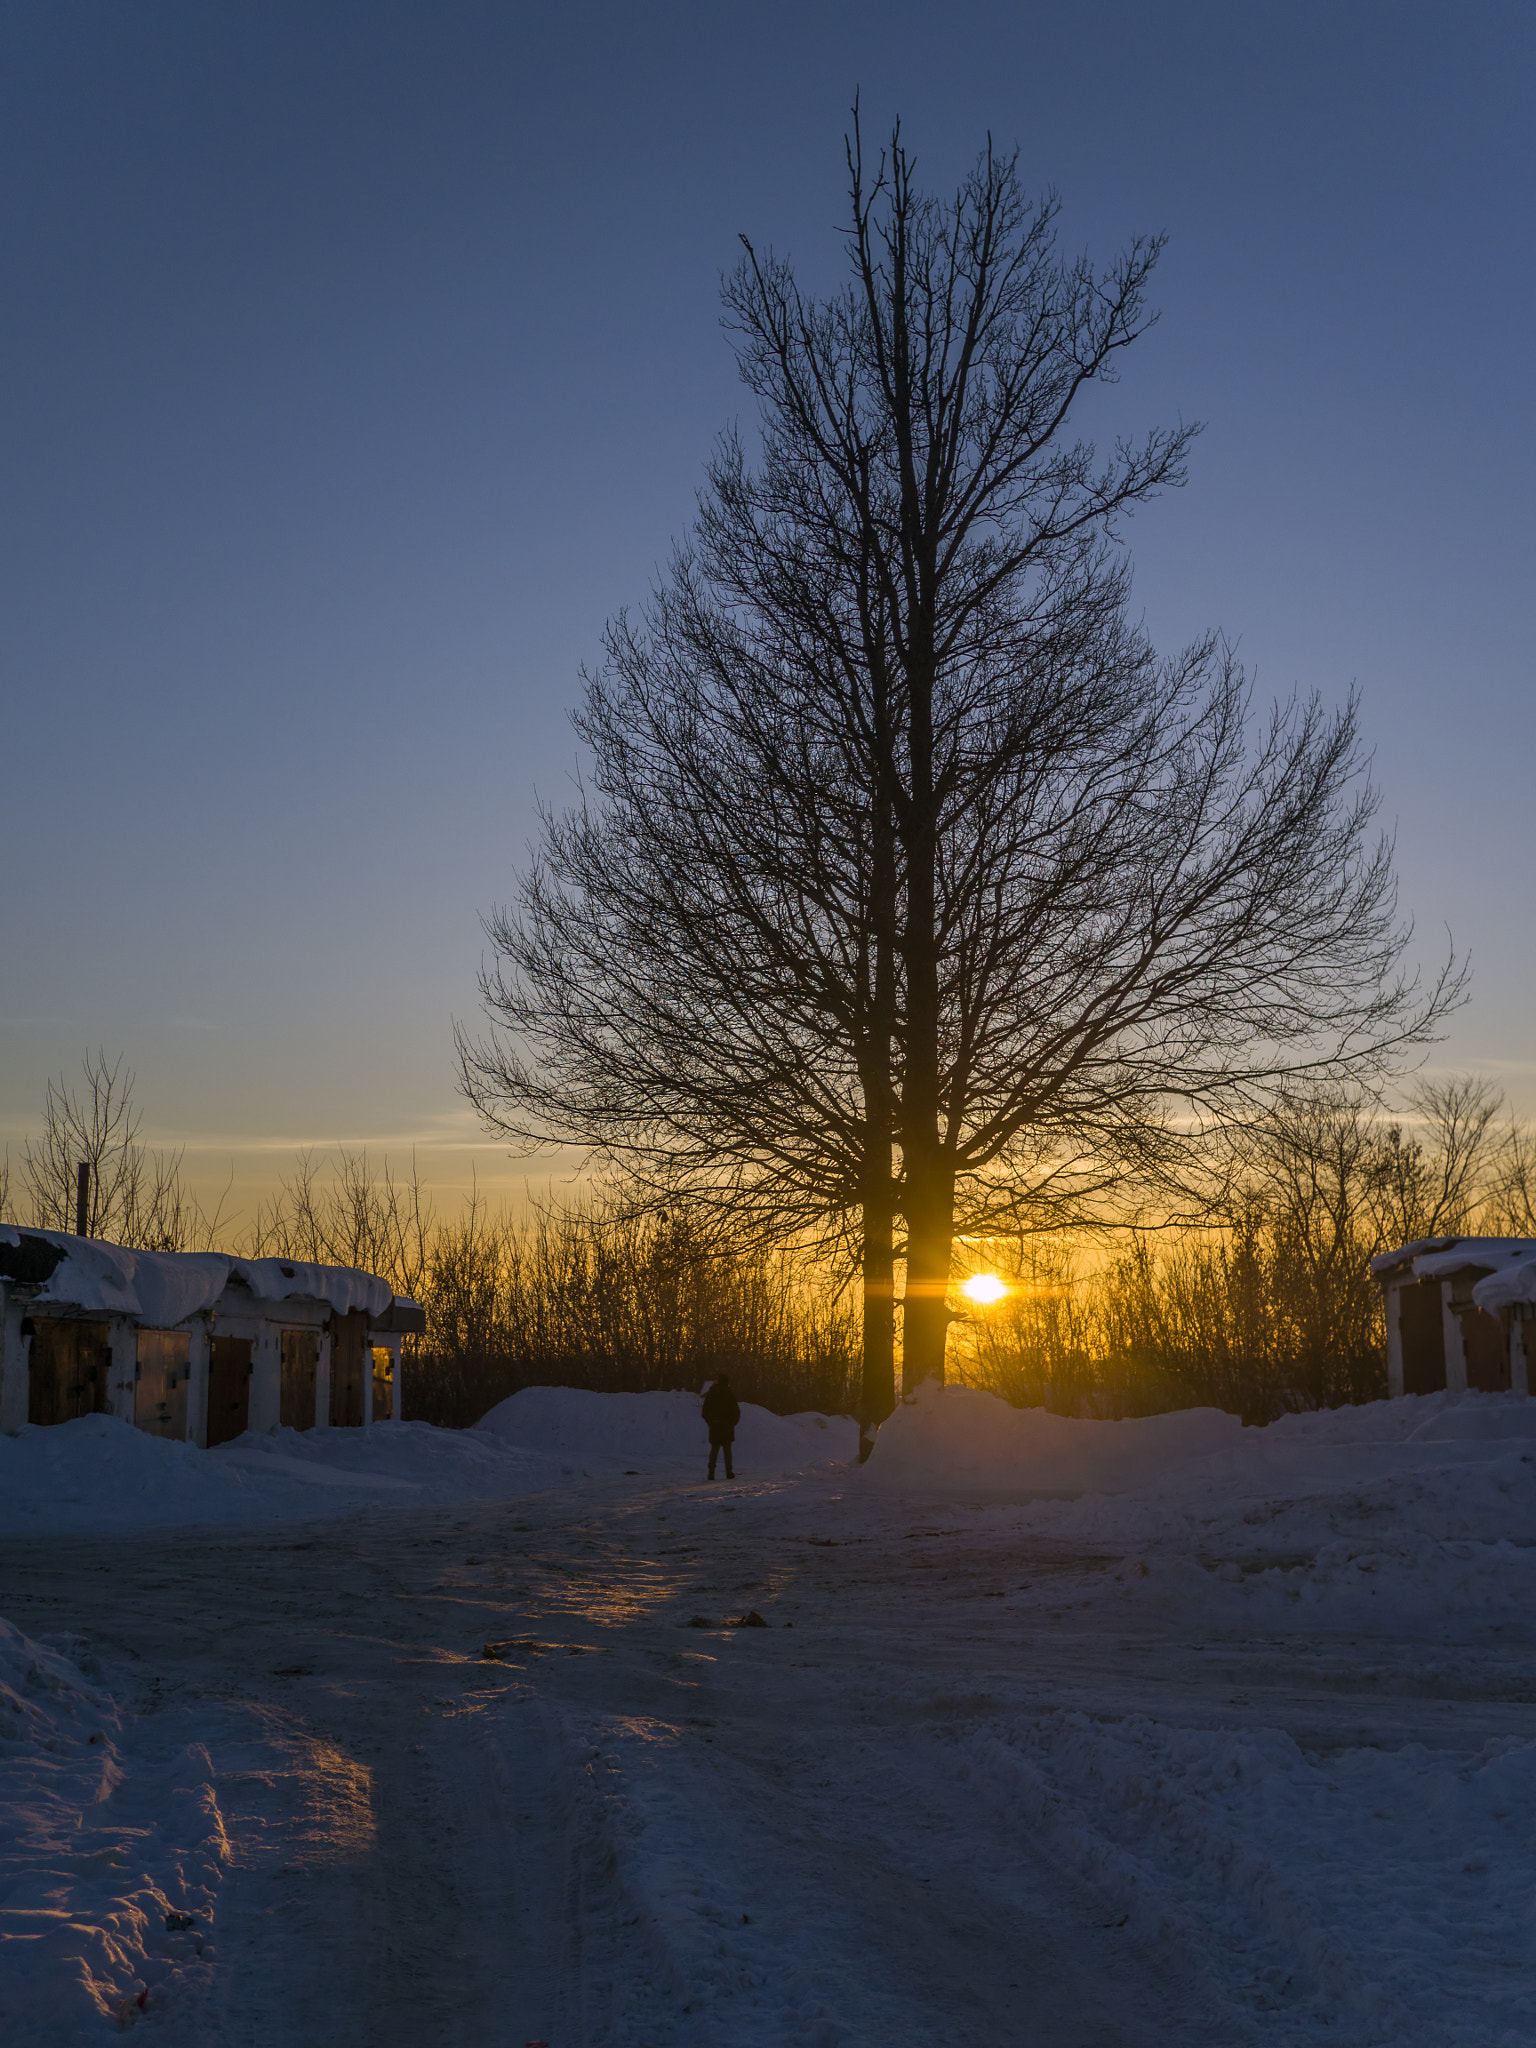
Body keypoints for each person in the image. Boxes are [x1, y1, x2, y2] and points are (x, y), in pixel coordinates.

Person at [701, 1372, 741, 1480]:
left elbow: (705, 1412)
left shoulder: (711, 1394)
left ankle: (711, 1472)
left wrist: (711, 1422)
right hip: (727, 1426)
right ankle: (729, 1472)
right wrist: (732, 1423)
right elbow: (736, 1411)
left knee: (714, 1449)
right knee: (727, 1450)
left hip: (715, 1425)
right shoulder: (729, 1394)